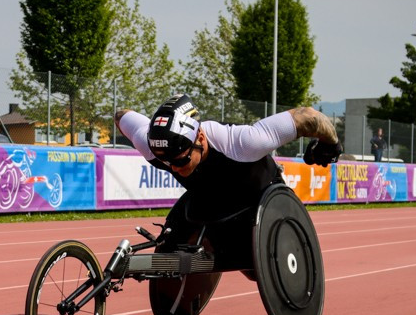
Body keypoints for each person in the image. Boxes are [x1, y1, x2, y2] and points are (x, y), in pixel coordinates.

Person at [116, 94, 341, 270]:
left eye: (181, 159)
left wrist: (330, 144)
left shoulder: (244, 142)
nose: (174, 168)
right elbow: (121, 115)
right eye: (167, 162)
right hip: (211, 202)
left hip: (259, 199)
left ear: (200, 138)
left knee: (254, 267)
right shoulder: (153, 144)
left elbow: (309, 116)